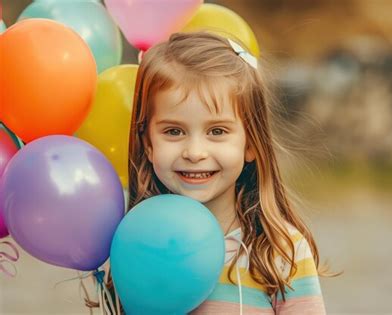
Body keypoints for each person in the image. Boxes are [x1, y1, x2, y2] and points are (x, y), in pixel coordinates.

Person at [86, 31, 341, 314]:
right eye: (174, 131)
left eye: (217, 131)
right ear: (148, 144)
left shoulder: (280, 252)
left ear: (251, 144)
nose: (195, 152)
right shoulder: (136, 243)